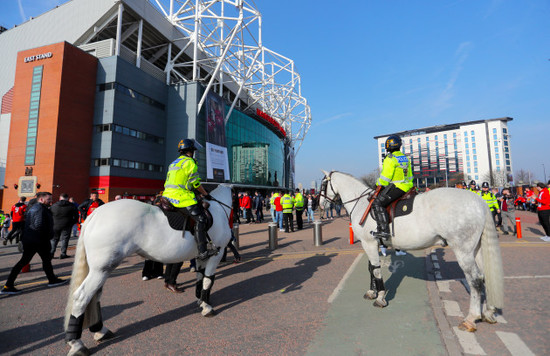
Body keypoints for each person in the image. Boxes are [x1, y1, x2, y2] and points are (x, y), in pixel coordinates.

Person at [1, 192, 68, 295]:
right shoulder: (40, 209)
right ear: (41, 199)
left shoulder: (36, 208)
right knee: (32, 261)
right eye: (49, 199)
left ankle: (52, 279)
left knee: (42, 260)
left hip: (33, 240)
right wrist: (48, 235)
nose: (51, 201)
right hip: (38, 240)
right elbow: (38, 225)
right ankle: (8, 286)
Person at [162, 138, 217, 260]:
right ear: (190, 151)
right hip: (180, 197)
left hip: (167, 195)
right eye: (193, 150)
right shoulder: (189, 162)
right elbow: (195, 183)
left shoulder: (174, 162)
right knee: (201, 219)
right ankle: (203, 251)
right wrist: (205, 194)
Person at [371, 135, 413, 240]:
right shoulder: (405, 157)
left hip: (398, 187)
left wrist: (376, 185)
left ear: (388, 147)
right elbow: (411, 176)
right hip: (408, 186)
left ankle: (384, 232)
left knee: (377, 203)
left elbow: (385, 178)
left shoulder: (390, 159)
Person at [50, 193, 79, 259]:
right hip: (67, 225)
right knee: (64, 239)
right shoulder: (72, 206)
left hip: (55, 225)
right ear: (67, 198)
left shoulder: (54, 205)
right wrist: (71, 223)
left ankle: (51, 253)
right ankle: (63, 253)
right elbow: (76, 216)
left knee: (54, 239)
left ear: (60, 198)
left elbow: (49, 215)